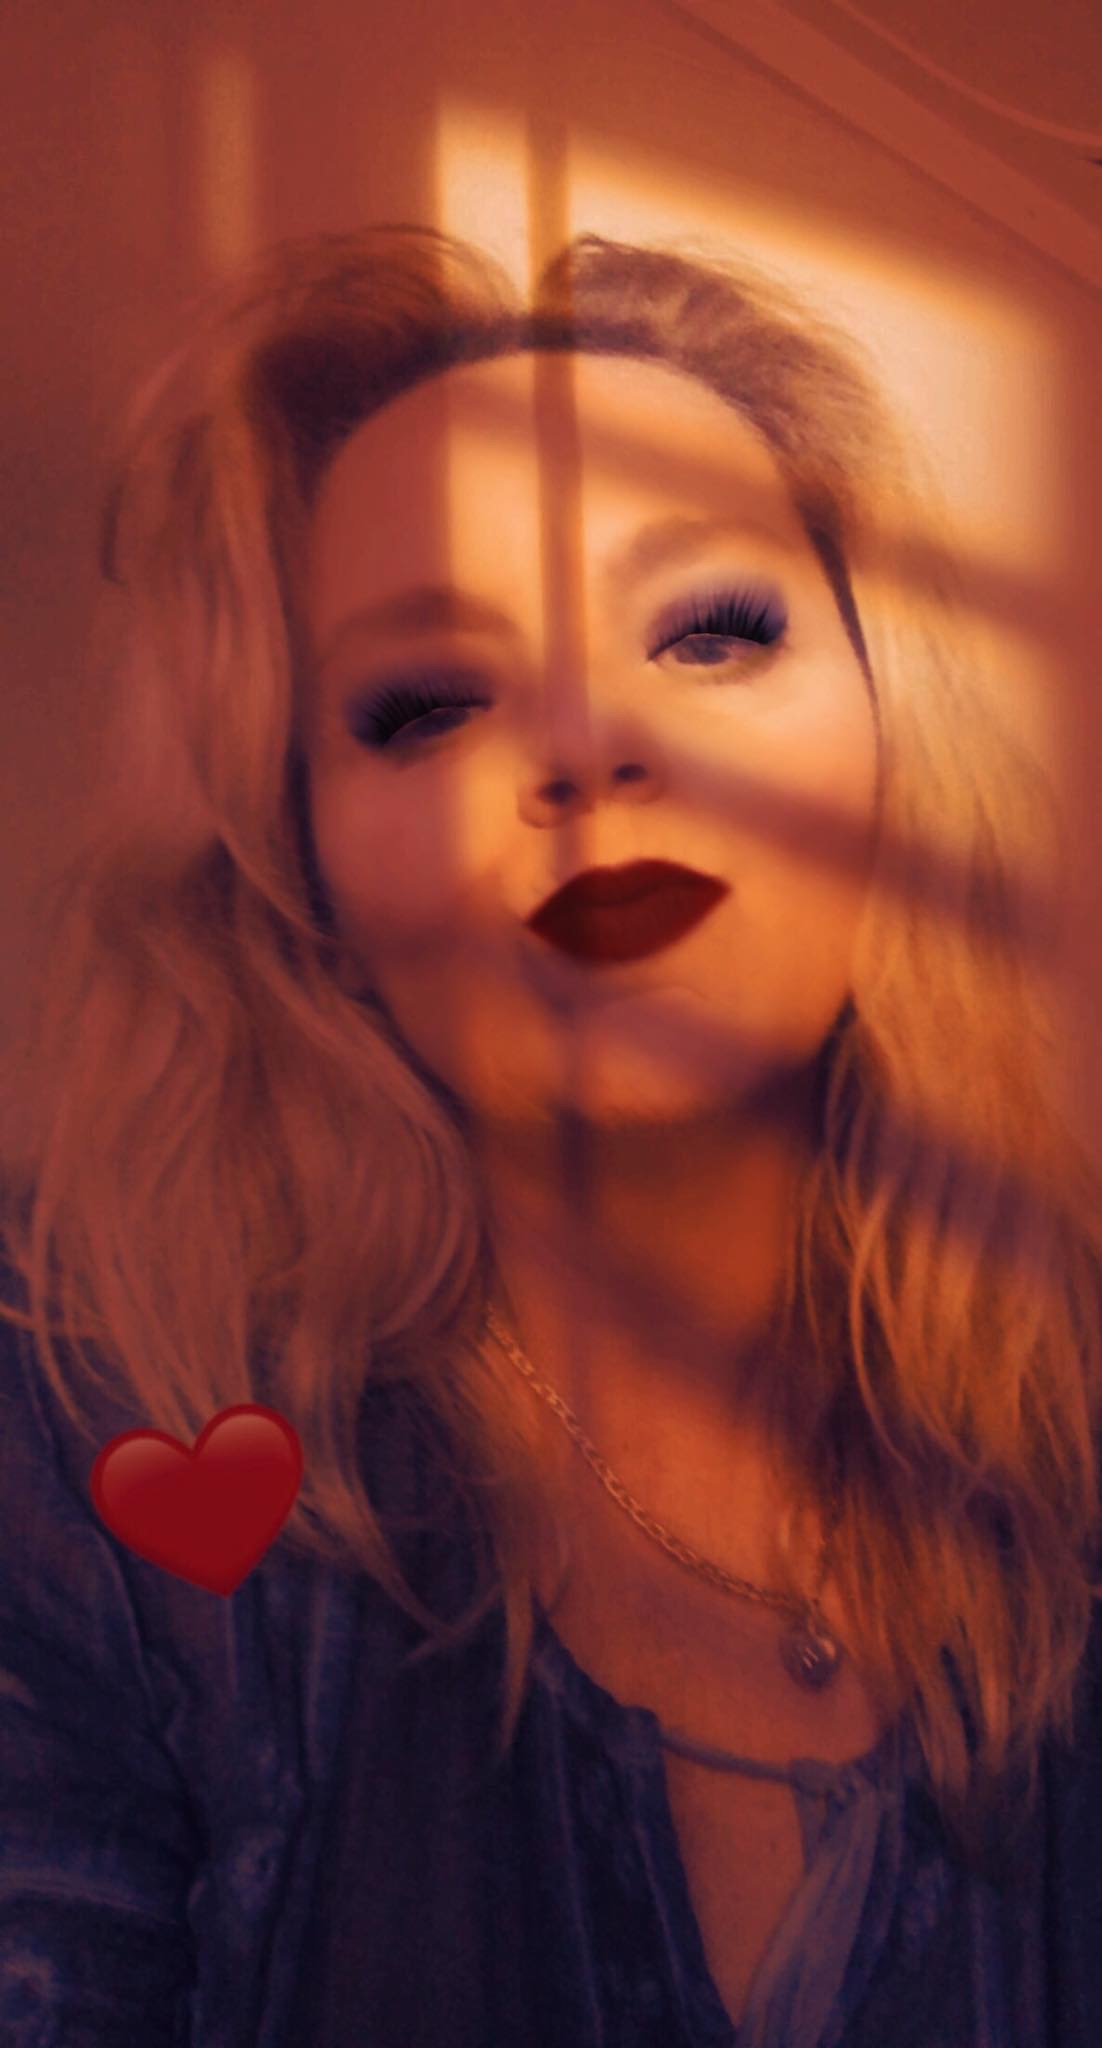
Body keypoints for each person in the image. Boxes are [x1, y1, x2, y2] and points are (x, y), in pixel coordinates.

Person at [1, 223, 1100, 2048]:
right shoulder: (87, 1422)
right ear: (302, 873)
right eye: (427, 703)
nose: (586, 741)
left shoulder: (1064, 1418)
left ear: (891, 743)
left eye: (711, 629)